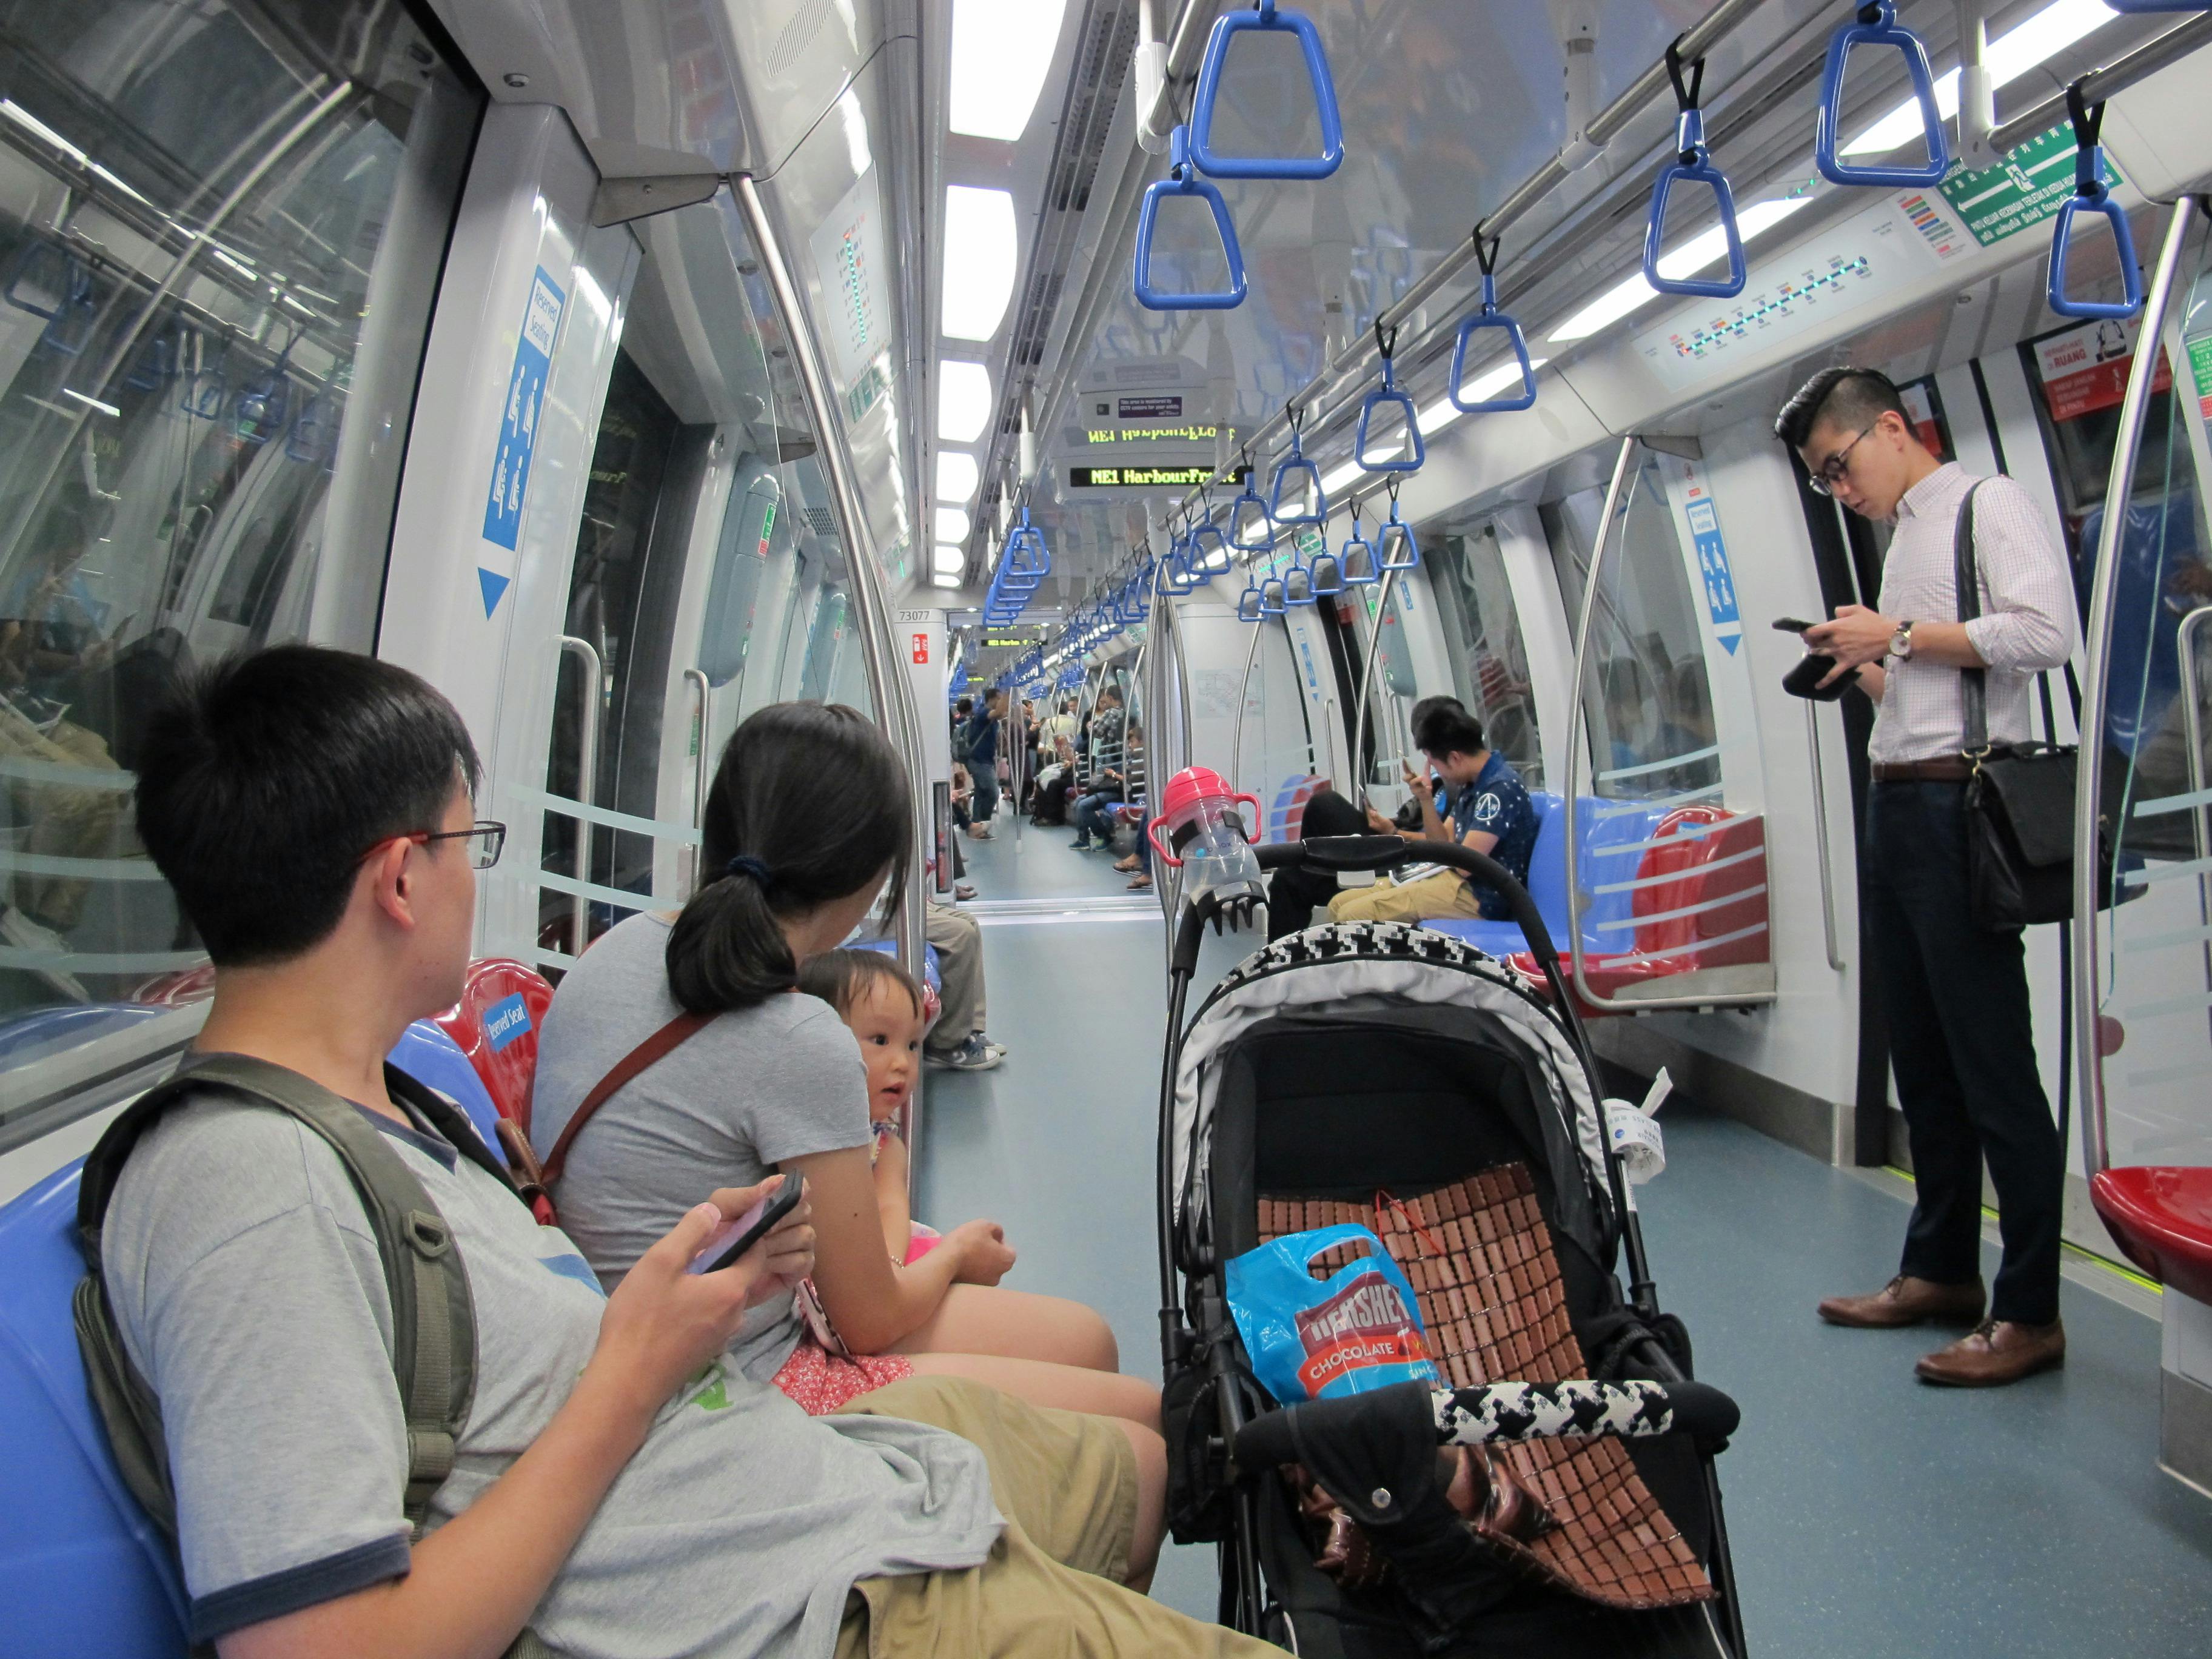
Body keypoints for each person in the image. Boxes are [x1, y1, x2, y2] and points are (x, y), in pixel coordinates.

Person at [107, 645, 1259, 1659]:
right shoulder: (257, 1189)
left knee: (1130, 1474)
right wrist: (636, 1367)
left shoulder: (390, 1106)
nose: (480, 873)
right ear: (400, 878)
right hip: (763, 1596)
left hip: (767, 1490)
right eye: (471, 841)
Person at [532, 700, 1159, 1430]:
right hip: (733, 1376)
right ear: (865, 870)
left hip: (615, 1341)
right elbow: (872, 1321)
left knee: (1084, 1344)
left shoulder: (611, 952)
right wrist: (955, 1252)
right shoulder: (798, 1036)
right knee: (1135, 1419)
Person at [1781, 366, 2076, 1388]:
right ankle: (1940, 1268)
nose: (1837, 489)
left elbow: (2045, 634)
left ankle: (2029, 1309)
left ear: (1890, 428)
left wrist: (1895, 634)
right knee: (1924, 1058)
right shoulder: (1902, 532)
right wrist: (1863, 661)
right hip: (1896, 801)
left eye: (1837, 464)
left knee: (1993, 1066)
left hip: (1959, 805)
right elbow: (1923, 673)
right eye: (1823, 480)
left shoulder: (1984, 505)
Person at [1325, 701, 1538, 927]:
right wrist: (1425, 799)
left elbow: (1467, 866)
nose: (1436, 771)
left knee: (1353, 915)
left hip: (1479, 896)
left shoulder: (1499, 791)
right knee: (1338, 904)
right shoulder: (1474, 782)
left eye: (1434, 762)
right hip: (1454, 879)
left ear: (1455, 758)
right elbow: (1441, 844)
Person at [796, 949, 943, 1265]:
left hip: (864, 1264)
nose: (903, 1063)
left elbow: (891, 1207)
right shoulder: (789, 1128)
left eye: (913, 1045)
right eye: (880, 1040)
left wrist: (889, 1267)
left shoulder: (885, 1144)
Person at [924, 894, 1005, 1071]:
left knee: (970, 922)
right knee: (960, 933)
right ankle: (946, 1043)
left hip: (894, 897)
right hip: (881, 907)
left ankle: (971, 1029)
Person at [964, 689, 1004, 837]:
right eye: (998, 699)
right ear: (991, 699)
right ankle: (983, 824)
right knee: (993, 793)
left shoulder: (990, 716)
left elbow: (1000, 714)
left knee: (981, 794)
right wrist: (1008, 694)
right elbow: (997, 712)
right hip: (980, 761)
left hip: (983, 759)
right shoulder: (983, 713)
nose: (1000, 702)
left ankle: (976, 826)